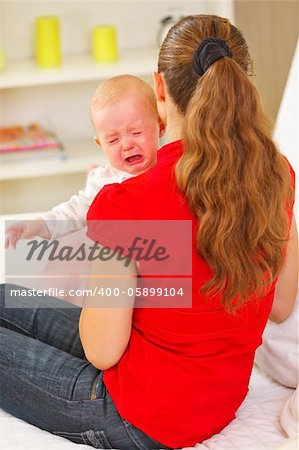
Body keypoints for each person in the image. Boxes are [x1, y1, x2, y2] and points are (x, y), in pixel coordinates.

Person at [0, 14, 297, 450]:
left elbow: (103, 351)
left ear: (159, 90)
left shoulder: (128, 202)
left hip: (140, 418)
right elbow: (281, 303)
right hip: (219, 399)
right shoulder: (276, 175)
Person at [5, 74, 164, 247]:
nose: (127, 145)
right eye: (112, 140)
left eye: (136, 132)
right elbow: (74, 212)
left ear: (160, 126)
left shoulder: (174, 166)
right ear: (100, 144)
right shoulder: (103, 181)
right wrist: (40, 224)